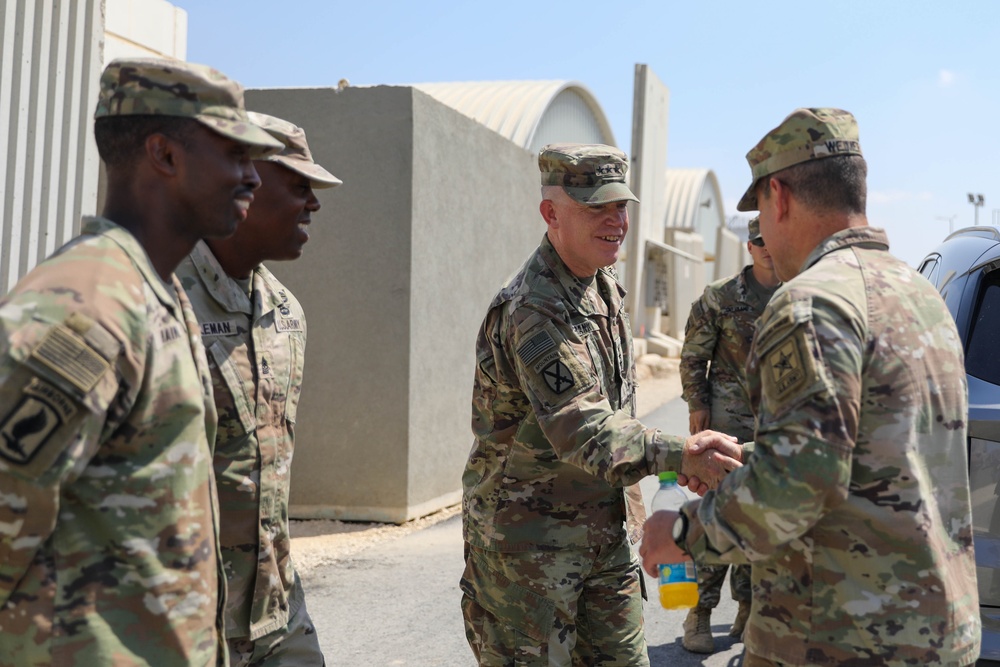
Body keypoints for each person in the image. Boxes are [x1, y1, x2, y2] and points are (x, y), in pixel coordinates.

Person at [639, 108, 981, 666]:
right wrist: (749, 456)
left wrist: (681, 530)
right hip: (937, 634)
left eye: (762, 217)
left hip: (841, 637)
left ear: (779, 196)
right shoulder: (922, 297)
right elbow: (873, 447)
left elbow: (800, 485)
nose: (766, 239)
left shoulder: (809, 303)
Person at [0, 58, 282, 665]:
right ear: (164, 154)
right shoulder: (88, 306)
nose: (253, 177)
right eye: (234, 153)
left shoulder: (158, 292)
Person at [461, 143, 743, 666]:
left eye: (621, 206)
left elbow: (619, 410)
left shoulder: (603, 286)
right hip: (530, 553)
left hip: (603, 536)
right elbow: (584, 426)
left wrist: (637, 512)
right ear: (551, 213)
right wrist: (683, 454)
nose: (616, 220)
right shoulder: (534, 307)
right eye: (596, 207)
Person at [177, 111, 340, 667]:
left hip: (276, 609)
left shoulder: (286, 313)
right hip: (187, 623)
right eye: (298, 186)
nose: (313, 204)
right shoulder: (160, 299)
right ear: (245, 180)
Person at [677, 216, 780, 653]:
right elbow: (692, 355)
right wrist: (697, 404)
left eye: (771, 239)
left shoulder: (800, 296)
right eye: (758, 242)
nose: (766, 248)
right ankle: (698, 613)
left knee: (761, 522)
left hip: (776, 428)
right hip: (727, 425)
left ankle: (748, 607)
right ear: (749, 247)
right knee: (717, 513)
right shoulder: (719, 299)